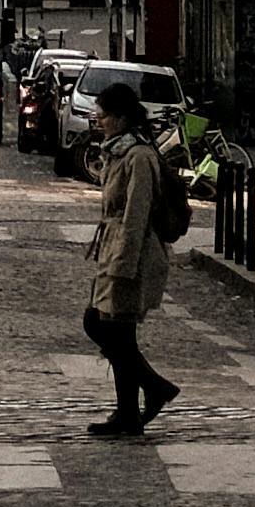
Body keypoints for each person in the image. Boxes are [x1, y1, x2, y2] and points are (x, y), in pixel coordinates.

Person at [83, 103, 180, 439]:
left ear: (122, 118)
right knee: (113, 332)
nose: (99, 120)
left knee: (106, 328)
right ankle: (131, 412)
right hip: (113, 249)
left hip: (131, 253)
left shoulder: (138, 156)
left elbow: (136, 214)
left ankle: (151, 392)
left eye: (105, 114)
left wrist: (124, 263)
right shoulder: (116, 153)